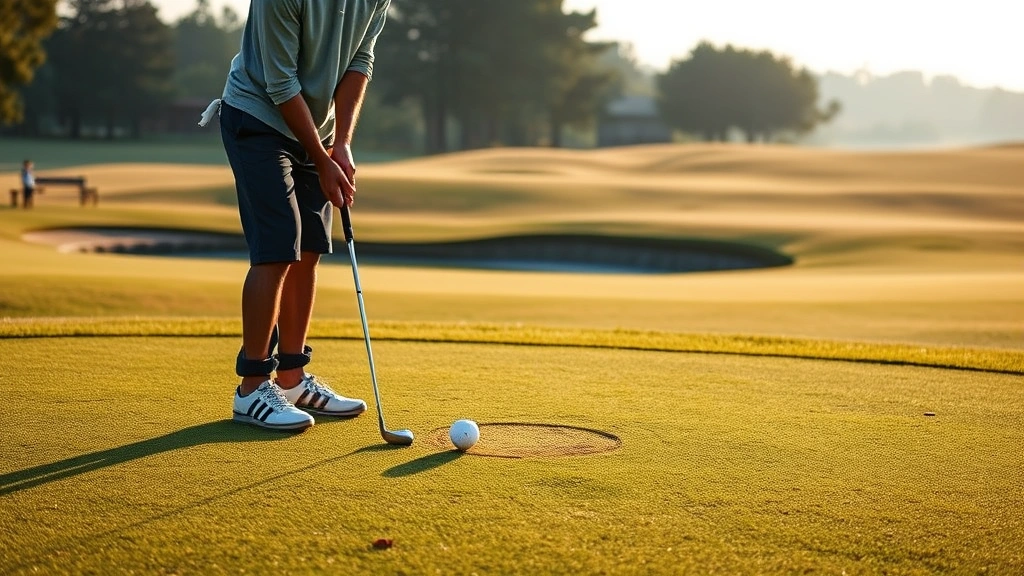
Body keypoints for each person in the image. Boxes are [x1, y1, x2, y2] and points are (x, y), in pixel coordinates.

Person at [202, 0, 391, 431]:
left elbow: (360, 60)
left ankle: (291, 378)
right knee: (277, 247)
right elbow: (279, 80)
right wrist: (320, 158)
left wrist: (340, 141)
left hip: (316, 128)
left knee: (309, 248)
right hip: (258, 115)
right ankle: (251, 388)